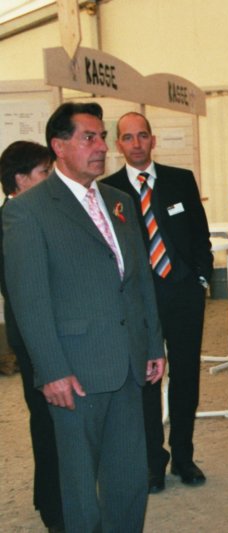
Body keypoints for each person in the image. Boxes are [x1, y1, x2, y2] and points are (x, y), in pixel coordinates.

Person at [2, 102, 165, 532]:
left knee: (128, 480)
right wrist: (51, 370)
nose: (102, 147)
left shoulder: (119, 202)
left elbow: (140, 282)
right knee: (79, 489)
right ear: (59, 147)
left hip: (128, 364)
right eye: (88, 138)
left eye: (102, 137)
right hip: (73, 373)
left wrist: (153, 343)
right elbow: (29, 301)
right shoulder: (29, 210)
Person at [104, 112, 213, 492]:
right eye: (128, 137)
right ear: (118, 144)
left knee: (185, 376)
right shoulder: (108, 190)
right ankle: (153, 462)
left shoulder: (180, 180)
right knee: (146, 381)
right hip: (138, 302)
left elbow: (199, 234)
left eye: (142, 136)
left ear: (153, 139)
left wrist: (200, 278)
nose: (136, 144)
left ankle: (183, 456)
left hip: (182, 294)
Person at [0, 141, 64, 532]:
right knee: (46, 419)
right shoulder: (11, 222)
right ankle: (55, 510)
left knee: (55, 420)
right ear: (21, 180)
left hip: (52, 330)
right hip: (33, 336)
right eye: (44, 172)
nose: (51, 179)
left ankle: (48, 494)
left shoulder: (37, 214)